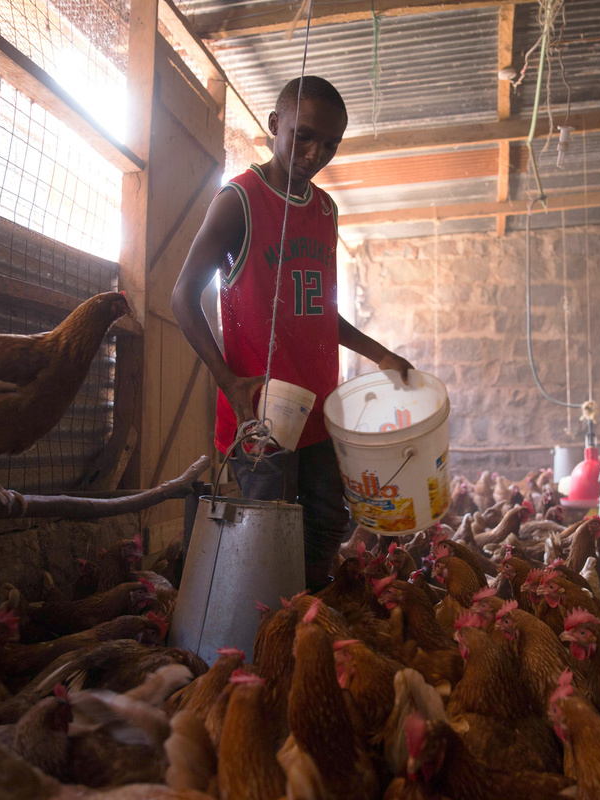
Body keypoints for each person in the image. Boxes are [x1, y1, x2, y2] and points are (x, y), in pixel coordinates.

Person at [171, 75, 412, 591]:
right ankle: (267, 624)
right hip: (263, 410)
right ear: (274, 124)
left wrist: (382, 355)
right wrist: (228, 381)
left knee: (327, 520)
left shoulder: (325, 209)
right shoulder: (240, 199)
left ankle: (308, 616)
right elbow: (181, 298)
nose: (314, 153)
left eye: (329, 144)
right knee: (268, 528)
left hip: (320, 409)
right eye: (303, 135)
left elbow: (321, 313)